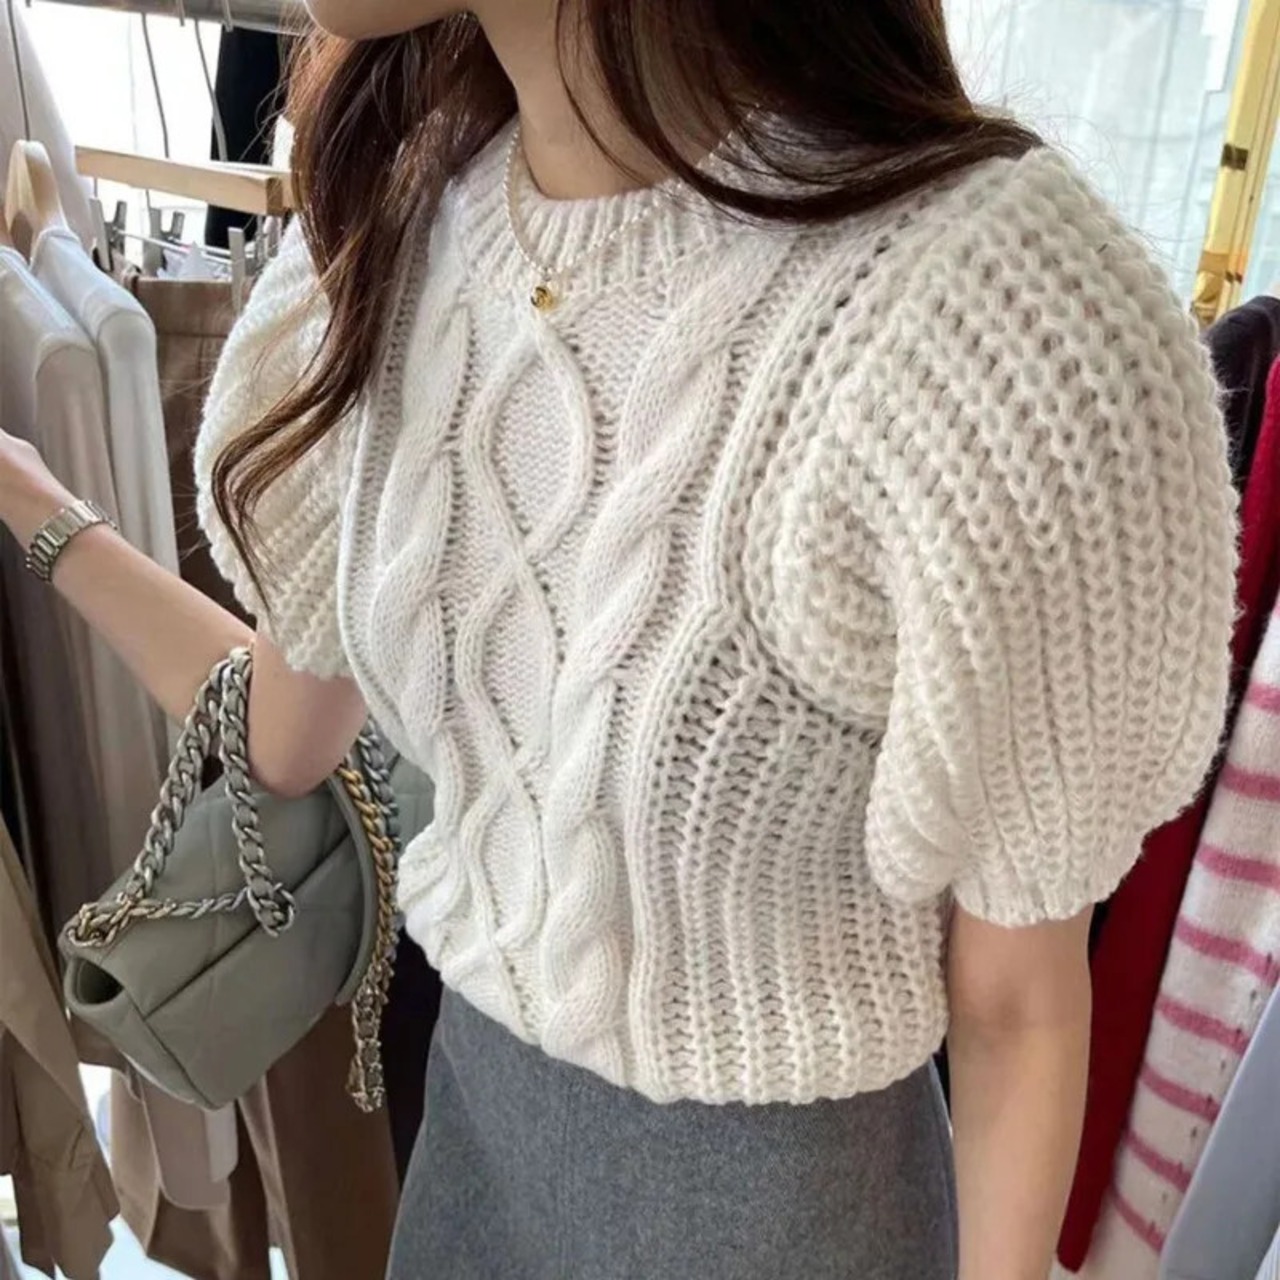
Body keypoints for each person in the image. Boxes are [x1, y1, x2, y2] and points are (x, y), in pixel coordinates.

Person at [0, 2, 1238, 1277]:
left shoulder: (993, 325)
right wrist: (36, 504)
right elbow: (283, 738)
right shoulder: (389, 231)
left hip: (788, 1226)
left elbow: (1018, 1003)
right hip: (467, 1158)